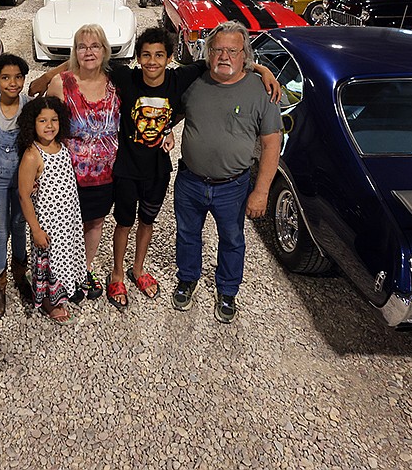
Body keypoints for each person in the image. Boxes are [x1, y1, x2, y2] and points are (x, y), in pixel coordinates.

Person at [30, 26, 280, 311]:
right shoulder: (127, 76)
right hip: (125, 169)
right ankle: (118, 274)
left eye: (159, 55)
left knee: (151, 223)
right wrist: (48, 75)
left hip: (159, 171)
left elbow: (224, 63)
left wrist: (260, 69)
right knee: (125, 224)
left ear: (171, 57)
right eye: (146, 55)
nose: (152, 61)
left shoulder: (180, 78)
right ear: (137, 58)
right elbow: (88, 57)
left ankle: (139, 270)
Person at [172, 20, 283, 324]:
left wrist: (260, 192)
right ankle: (188, 279)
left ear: (244, 55)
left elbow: (272, 144)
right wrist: (166, 130)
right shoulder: (194, 82)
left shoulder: (261, 90)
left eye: (232, 51)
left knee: (232, 239)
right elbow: (174, 112)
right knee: (186, 234)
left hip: (233, 186)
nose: (224, 56)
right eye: (217, 49)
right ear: (207, 52)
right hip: (189, 180)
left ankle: (228, 290)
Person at [45, 24, 119, 301]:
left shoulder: (116, 82)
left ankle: (83, 269)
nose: (89, 52)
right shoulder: (61, 83)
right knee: (63, 225)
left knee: (95, 222)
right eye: (82, 46)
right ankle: (61, 274)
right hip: (66, 174)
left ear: (105, 50)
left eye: (95, 46)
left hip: (106, 174)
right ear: (75, 51)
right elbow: (46, 123)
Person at [16, 95, 86, 324]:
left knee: (65, 257)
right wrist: (35, 229)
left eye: (54, 120)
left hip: (68, 219)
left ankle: (63, 291)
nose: (49, 126)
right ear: (31, 124)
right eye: (42, 121)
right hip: (48, 222)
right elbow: (24, 196)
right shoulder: (32, 154)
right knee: (50, 262)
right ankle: (47, 299)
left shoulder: (62, 146)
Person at [0, 54, 35, 317]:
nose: (13, 83)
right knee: (0, 232)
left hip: (23, 179)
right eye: (6, 77)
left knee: (20, 225)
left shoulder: (29, 106)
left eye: (19, 77)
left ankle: (20, 275)